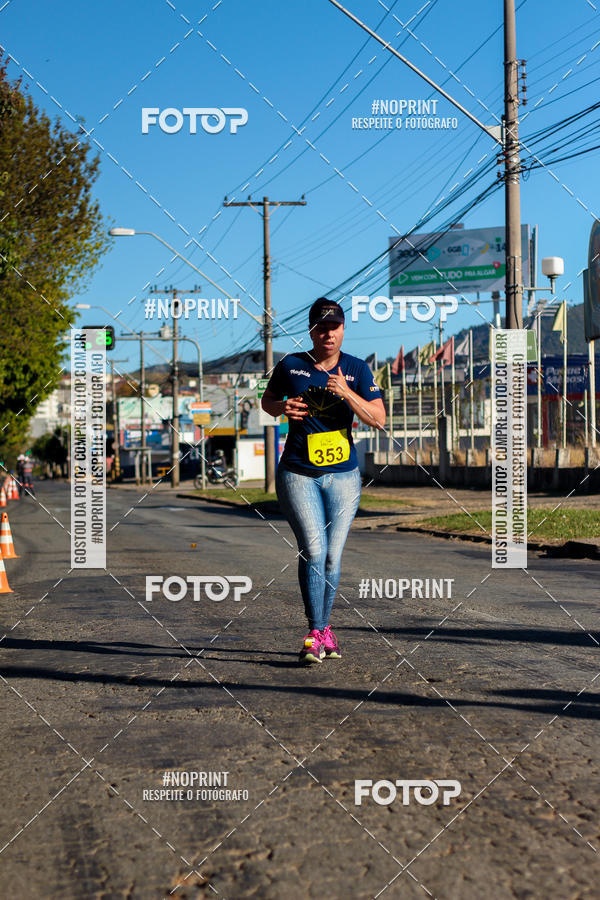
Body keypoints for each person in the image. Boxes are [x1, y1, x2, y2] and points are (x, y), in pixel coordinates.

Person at [261, 298, 386, 664]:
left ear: (343, 330)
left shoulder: (357, 369)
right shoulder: (291, 365)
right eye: (320, 327)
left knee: (332, 557)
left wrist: (347, 392)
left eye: (334, 327)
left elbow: (378, 418)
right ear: (311, 331)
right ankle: (316, 632)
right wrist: (281, 408)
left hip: (344, 476)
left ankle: (325, 630)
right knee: (314, 551)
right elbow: (267, 401)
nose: (327, 334)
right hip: (298, 471)